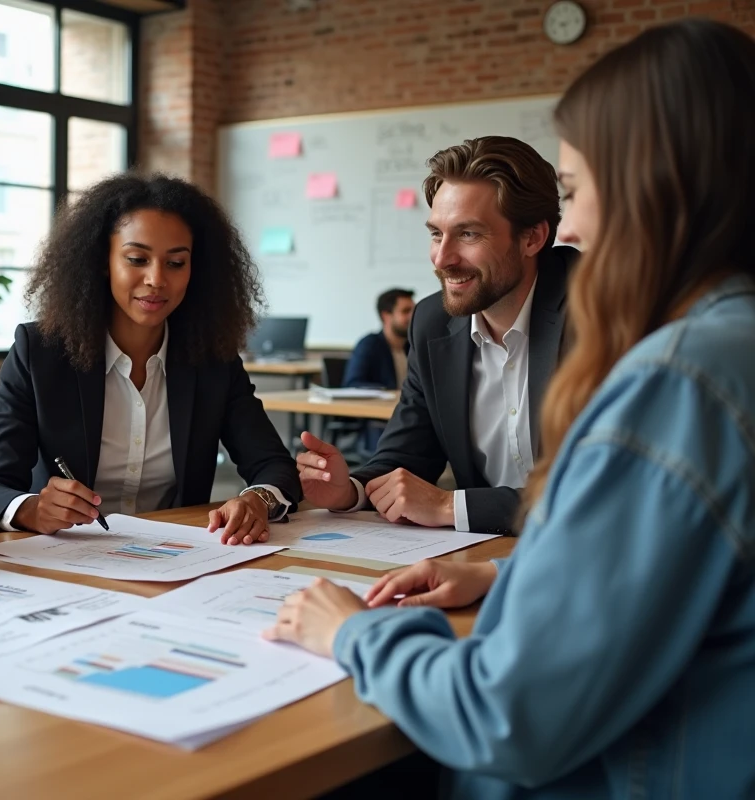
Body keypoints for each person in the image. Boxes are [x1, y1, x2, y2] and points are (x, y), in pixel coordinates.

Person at [268, 19, 755, 798]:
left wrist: (356, 633)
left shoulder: (675, 375)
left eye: (578, 191)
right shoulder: (729, 343)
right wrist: (507, 577)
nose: (581, 228)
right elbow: (661, 559)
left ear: (658, 187)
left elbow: (509, 716)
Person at [0, 173, 302, 545]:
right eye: (136, 259)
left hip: (177, 560)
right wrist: (34, 509)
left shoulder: (213, 360)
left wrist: (256, 499)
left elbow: (275, 465)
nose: (156, 279)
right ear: (102, 261)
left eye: (176, 263)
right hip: (67, 561)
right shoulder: (40, 352)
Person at [298, 136, 578, 535]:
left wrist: (451, 505)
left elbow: (600, 487)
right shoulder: (432, 321)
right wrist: (351, 491)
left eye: (468, 235)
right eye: (435, 234)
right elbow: (407, 453)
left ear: (532, 238)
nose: (442, 258)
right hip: (489, 560)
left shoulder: (595, 311)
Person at [342, 287, 414, 390]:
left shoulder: (412, 346)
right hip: (382, 405)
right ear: (386, 316)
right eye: (405, 311)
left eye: (414, 310)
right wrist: (386, 391)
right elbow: (353, 383)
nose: (412, 316)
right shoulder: (369, 345)